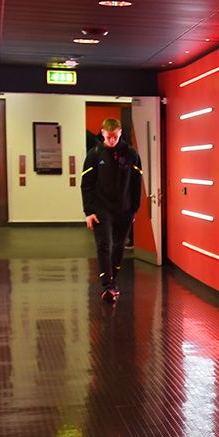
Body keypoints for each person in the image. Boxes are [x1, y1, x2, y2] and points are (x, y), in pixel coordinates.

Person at [81, 118, 142, 304]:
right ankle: (107, 286)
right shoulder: (94, 155)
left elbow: (136, 184)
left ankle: (112, 281)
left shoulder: (131, 154)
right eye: (109, 137)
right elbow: (87, 185)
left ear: (120, 133)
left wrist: (134, 210)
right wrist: (88, 212)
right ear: (102, 133)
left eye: (115, 137)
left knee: (118, 246)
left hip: (123, 209)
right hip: (100, 209)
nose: (112, 140)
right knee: (104, 245)